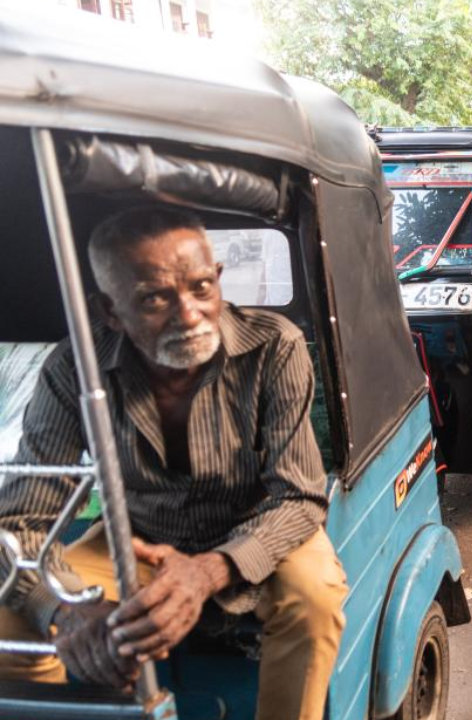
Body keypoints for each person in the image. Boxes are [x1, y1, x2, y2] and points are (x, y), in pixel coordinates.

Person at [0, 205, 346, 720]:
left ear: (219, 280)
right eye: (156, 298)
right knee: (9, 625)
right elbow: (20, 523)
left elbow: (298, 497)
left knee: (314, 601)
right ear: (110, 311)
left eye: (201, 287)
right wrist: (67, 610)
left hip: (257, 534)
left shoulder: (275, 345)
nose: (188, 313)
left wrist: (207, 572)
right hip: (135, 538)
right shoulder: (74, 368)